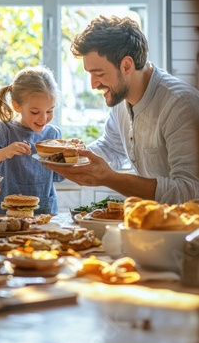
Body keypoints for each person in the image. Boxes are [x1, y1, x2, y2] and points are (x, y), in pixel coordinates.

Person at [43, 15, 199, 204]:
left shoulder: (180, 105)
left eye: (99, 74)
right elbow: (111, 148)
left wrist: (109, 178)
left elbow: (190, 191)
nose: (93, 85)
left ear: (126, 65)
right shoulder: (120, 100)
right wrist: (69, 158)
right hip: (156, 222)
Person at [0, 66, 64, 215]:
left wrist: (68, 161)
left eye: (49, 111)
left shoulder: (53, 134)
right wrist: (5, 152)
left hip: (44, 211)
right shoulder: (2, 130)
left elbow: (57, 177)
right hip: (5, 212)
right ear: (17, 106)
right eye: (35, 112)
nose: (43, 118)